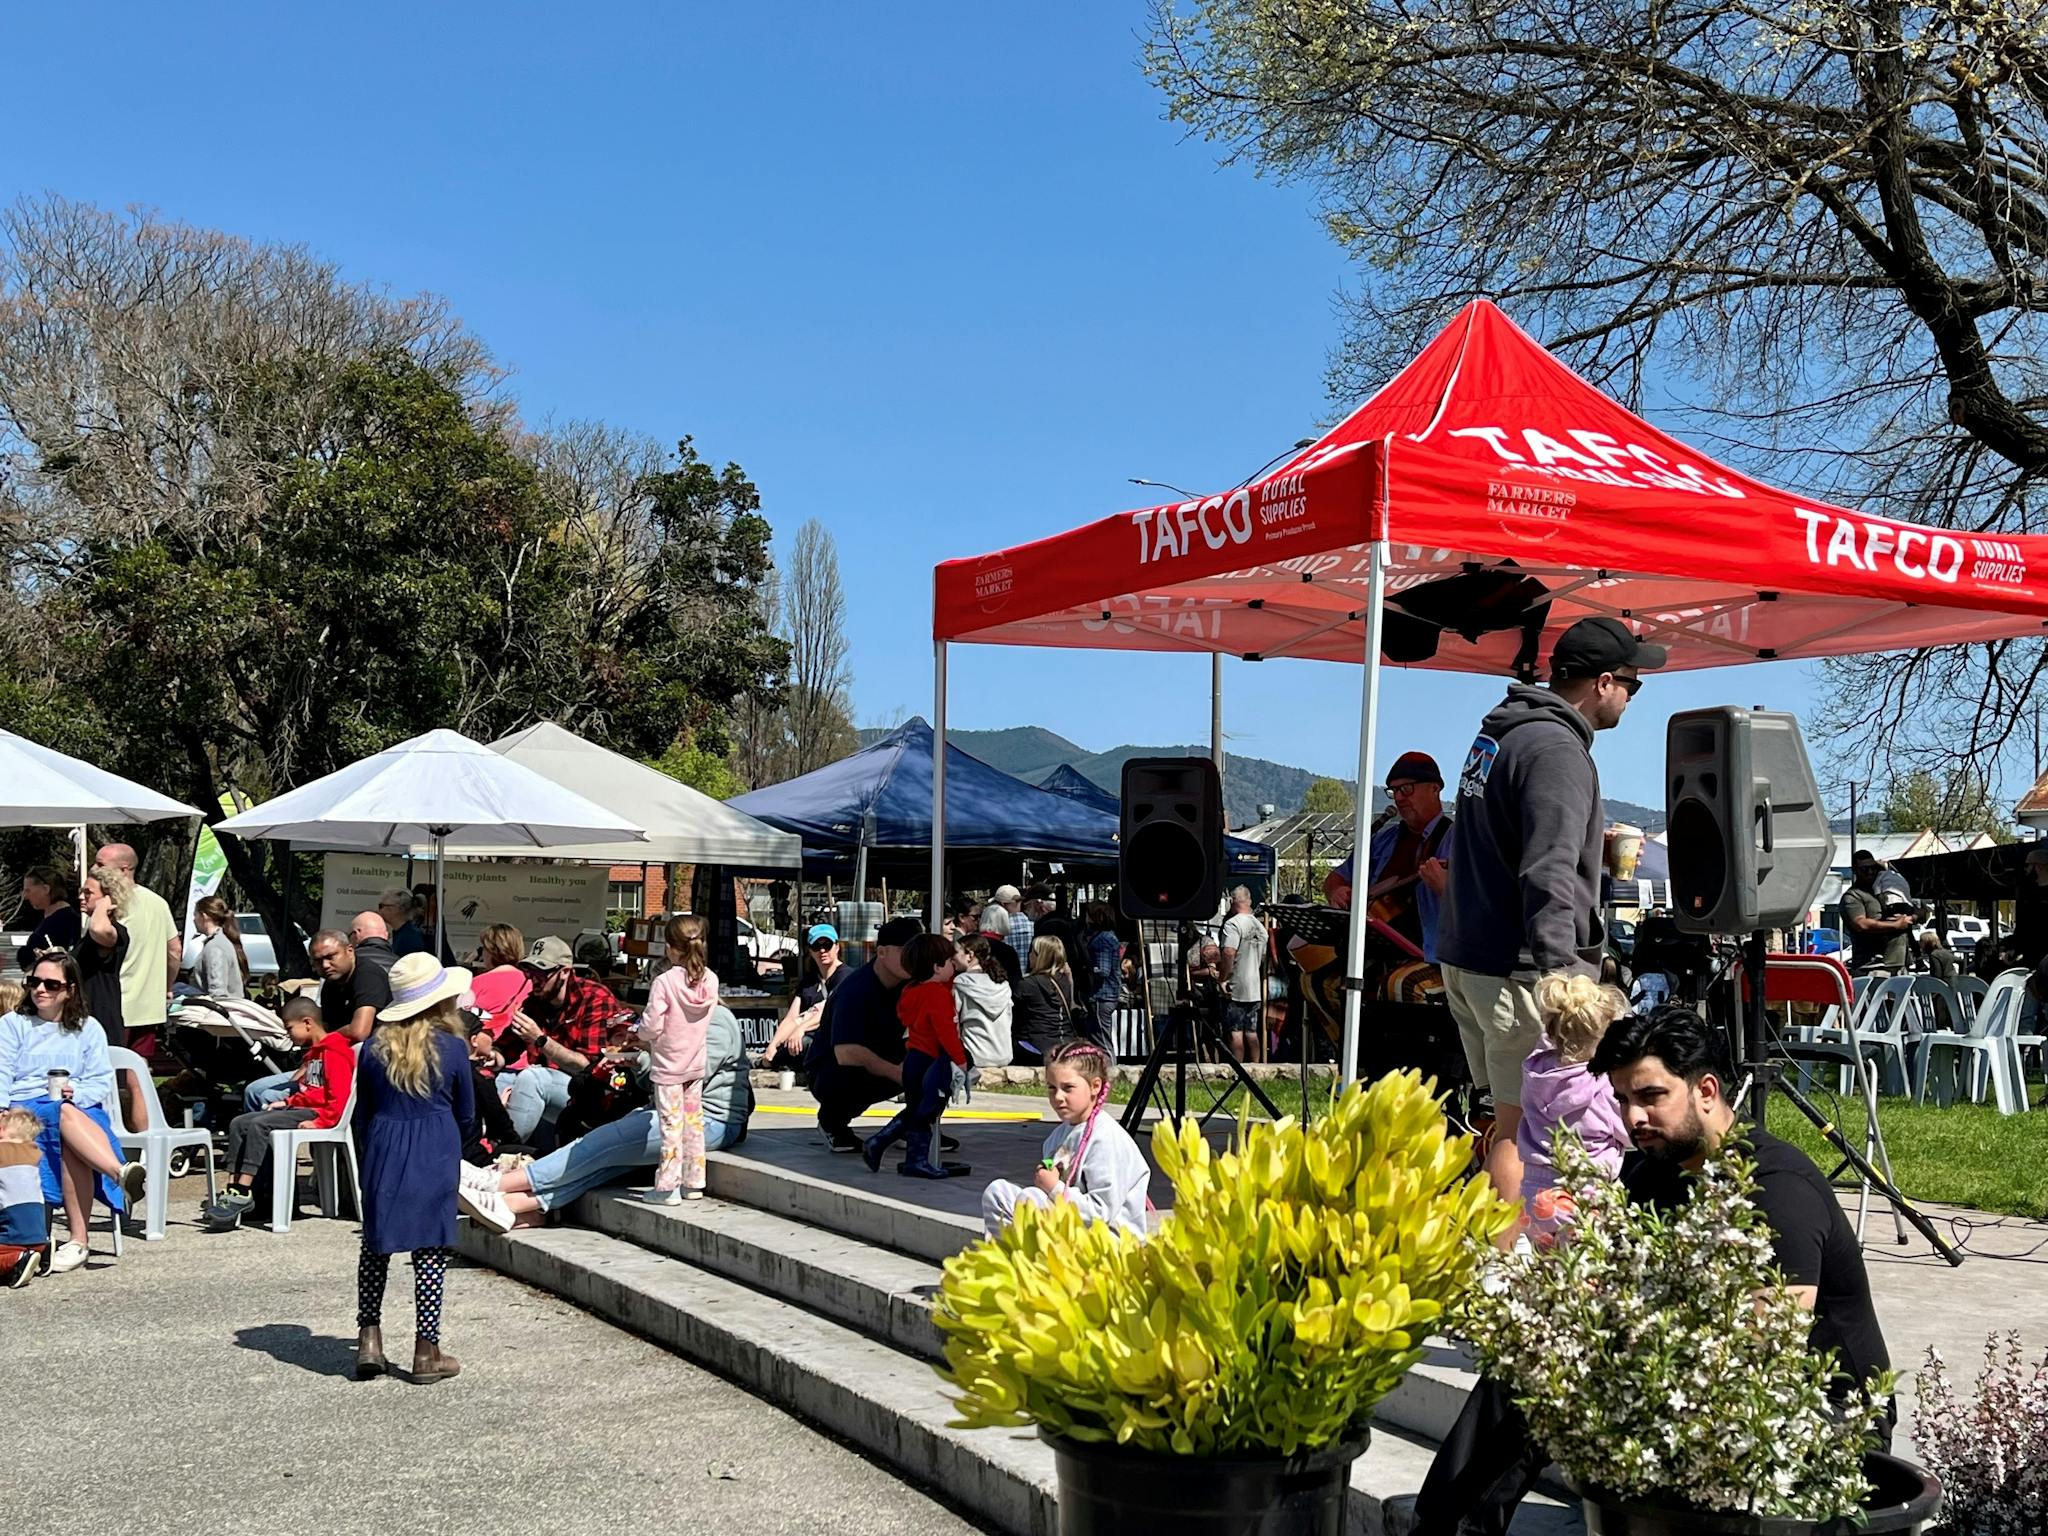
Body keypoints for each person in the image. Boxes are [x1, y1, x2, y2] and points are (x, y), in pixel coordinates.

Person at [1411, 1003, 1893, 1533]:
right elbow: (1600, 1286)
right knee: (1535, 1353)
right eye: (1621, 1099)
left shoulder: (1774, 1189)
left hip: (1815, 1417)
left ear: (1706, 1091)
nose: (1632, 1117)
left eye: (1650, 1096)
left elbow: (1765, 1351)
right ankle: (1443, 1527)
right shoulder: (1651, 1170)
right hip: (1689, 1378)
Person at [1436, 615, 1664, 1205]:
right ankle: (1512, 1279)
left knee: (1502, 1120)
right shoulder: (1558, 750)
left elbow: (1503, 845)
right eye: (1633, 686)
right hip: (1521, 971)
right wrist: (1564, 975)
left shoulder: (1504, 734)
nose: (1633, 698)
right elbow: (1549, 870)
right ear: (1604, 682)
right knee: (1523, 1130)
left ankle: (1501, 1257)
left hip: (1472, 958)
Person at [459, 1003, 755, 1229]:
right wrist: (637, 1059)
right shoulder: (686, 1020)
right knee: (604, 1163)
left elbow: (687, 1078)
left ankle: (496, 1184)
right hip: (673, 1115)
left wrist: (648, 1049)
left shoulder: (715, 1020)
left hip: (708, 1120)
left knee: (597, 1144)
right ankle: (513, 1205)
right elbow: (655, 1082)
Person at [352, 952, 475, 1384]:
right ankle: (427, 1349)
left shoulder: (371, 1049)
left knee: (375, 1246)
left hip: (385, 1145)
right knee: (430, 1252)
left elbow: (361, 1114)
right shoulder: (454, 1049)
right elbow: (467, 1114)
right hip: (435, 1146)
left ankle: (369, 1337)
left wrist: (371, 1151)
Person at [0, 950, 145, 1274]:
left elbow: (100, 1080)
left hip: (78, 1109)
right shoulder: (13, 1025)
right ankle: (116, 1175)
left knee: (67, 1124)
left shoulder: (87, 1028)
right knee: (63, 1118)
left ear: (70, 989)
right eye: (34, 981)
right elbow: (1, 1072)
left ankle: (79, 1240)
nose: (40, 989)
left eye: (51, 984)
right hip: (23, 1107)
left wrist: (76, 1092)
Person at [199, 996, 355, 1230]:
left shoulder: (334, 1052)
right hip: (304, 1108)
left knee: (260, 1125)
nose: (288, 1034)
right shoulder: (314, 1054)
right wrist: (287, 1101)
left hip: (318, 1115)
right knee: (239, 1123)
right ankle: (232, 1185)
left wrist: (322, 1122)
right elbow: (311, 1091)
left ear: (308, 1023)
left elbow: (339, 1098)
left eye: (290, 1028)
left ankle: (243, 1190)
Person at [980, 1041, 1148, 1236]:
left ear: (1095, 1086)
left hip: (1108, 1242)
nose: (1058, 1097)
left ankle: (1034, 1262)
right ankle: (1009, 1256)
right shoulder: (1059, 1135)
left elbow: (1101, 1213)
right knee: (997, 1193)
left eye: (1068, 1088)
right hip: (1071, 1225)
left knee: (1031, 1199)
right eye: (1052, 1088)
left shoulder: (1106, 1139)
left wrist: (1053, 1187)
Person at [1513, 973, 1631, 1244]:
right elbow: (1628, 1131)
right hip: (1586, 1194)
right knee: (1591, 1274)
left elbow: (1554, 1040)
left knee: (1550, 1272)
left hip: (1536, 1191)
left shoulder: (1536, 1071)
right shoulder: (1602, 1087)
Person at [1324, 752, 1456, 963]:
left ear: (1435, 788)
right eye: (1393, 791)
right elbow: (1335, 877)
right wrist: (1336, 891)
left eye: (1406, 788)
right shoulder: (1383, 840)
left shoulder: (1457, 840)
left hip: (1429, 954)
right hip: (1373, 947)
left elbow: (1477, 901)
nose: (1399, 797)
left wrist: (1446, 888)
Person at [807, 916, 922, 1153]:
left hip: (882, 1052)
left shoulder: (911, 985)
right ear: (881, 953)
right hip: (833, 1069)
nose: (915, 958)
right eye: (907, 951)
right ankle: (832, 1121)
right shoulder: (855, 989)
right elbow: (847, 1052)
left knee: (943, 1057)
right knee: (849, 1071)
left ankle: (913, 1126)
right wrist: (899, 1073)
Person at [864, 935, 970, 1178]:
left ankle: (885, 1144)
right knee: (925, 1112)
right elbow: (946, 1032)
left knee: (916, 1109)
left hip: (913, 1057)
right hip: (931, 1060)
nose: (953, 966)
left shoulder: (912, 990)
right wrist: (961, 1061)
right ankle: (913, 1158)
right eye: (949, 962)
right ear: (936, 967)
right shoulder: (938, 994)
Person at [500, 935, 619, 1143]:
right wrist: (493, 1056)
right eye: (529, 971)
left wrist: (540, 1039)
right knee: (497, 1079)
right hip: (553, 1087)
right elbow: (507, 1047)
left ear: (564, 972)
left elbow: (588, 1067)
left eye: (541, 972)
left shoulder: (594, 997)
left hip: (591, 1095)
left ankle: (503, 1153)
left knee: (531, 1078)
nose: (533, 979)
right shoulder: (536, 1001)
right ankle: (474, 1148)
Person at [634, 914, 716, 1205]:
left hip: (668, 1065)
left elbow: (652, 1026)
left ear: (670, 948)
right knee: (694, 1122)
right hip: (695, 1063)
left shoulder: (665, 982)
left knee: (671, 1125)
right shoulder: (711, 980)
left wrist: (640, 1033)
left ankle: (667, 1186)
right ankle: (694, 1182)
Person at [91, 843, 178, 1061]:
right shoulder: (158, 902)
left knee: (108, 1071)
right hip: (149, 1006)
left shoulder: (111, 903)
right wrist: (166, 987)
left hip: (115, 1005)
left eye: (101, 864)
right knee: (138, 1073)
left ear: (124, 869)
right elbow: (175, 950)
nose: (94, 868)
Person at [759, 924, 847, 1073]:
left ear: (837, 947)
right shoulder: (809, 981)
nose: (822, 950)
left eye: (827, 945)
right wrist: (772, 1045)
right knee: (781, 1050)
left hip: (831, 1041)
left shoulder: (845, 977)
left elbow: (828, 1013)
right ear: (810, 951)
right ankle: (769, 1060)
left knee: (804, 1043)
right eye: (816, 946)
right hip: (803, 1040)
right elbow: (791, 1017)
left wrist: (801, 1029)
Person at [74, 866, 132, 1045]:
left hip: (102, 1017)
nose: (81, 897)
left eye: (88, 893)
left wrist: (104, 905)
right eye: (81, 892)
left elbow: (98, 928)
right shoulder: (87, 936)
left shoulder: (117, 933)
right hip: (84, 1016)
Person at [1841, 849, 1914, 978]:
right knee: (1878, 998)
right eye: (1864, 869)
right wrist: (1895, 925)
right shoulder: (1853, 896)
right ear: (1855, 870)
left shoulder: (1888, 887)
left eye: (1873, 867)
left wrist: (1915, 916)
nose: (1870, 872)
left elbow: (1914, 911)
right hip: (1872, 966)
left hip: (1899, 963)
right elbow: (1861, 924)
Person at [1, 1105, 53, 1288]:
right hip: (39, 1233)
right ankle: (43, 1253)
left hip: (12, 1239)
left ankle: (17, 1261)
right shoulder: (34, 1152)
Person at [1218, 887, 1268, 1062]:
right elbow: (1262, 957)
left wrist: (1223, 978)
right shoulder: (1261, 928)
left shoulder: (1232, 925)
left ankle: (1237, 1070)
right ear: (1249, 901)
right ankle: (1256, 1069)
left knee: (1235, 1032)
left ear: (1232, 901)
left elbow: (1229, 952)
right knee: (1252, 1032)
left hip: (1236, 986)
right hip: (1254, 987)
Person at [1013, 935, 1081, 1061]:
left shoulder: (1027, 984)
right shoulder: (1064, 980)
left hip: (1036, 1046)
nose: (1029, 955)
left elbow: (1013, 1014)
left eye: (1032, 952)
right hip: (1065, 1042)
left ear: (1040, 957)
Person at [953, 933, 1013, 1070]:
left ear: (970, 955)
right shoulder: (1002, 984)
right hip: (1004, 1055)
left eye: (955, 952)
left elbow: (953, 1021)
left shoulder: (962, 983)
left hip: (974, 1055)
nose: (952, 957)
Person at [15, 865, 80, 971]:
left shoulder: (64, 921)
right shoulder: (47, 918)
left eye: (28, 891)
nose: (25, 896)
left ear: (46, 889)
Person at [190, 894, 250, 1000]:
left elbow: (217, 993)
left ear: (204, 916)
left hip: (218, 1013)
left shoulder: (215, 947)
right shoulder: (220, 941)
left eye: (195, 915)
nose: (194, 920)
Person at [1083, 902, 1122, 1049]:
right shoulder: (1109, 936)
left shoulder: (1103, 939)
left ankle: (1111, 1069)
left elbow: (1103, 970)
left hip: (1103, 995)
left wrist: (1087, 969)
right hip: (1106, 995)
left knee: (1102, 1041)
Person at [991, 884, 1034, 971]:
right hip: (1030, 979)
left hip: (1006, 980)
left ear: (1002, 905)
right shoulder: (1033, 926)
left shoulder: (996, 930)